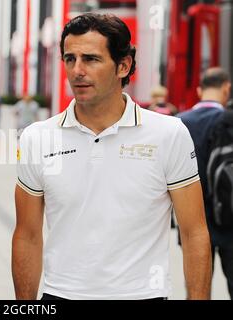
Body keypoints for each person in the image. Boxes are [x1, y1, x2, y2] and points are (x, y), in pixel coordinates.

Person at [12, 13, 211, 300]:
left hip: (143, 295)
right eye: (70, 59)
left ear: (123, 66)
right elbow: (27, 235)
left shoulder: (168, 134)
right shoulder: (37, 137)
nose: (77, 70)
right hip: (61, 295)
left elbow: (194, 232)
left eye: (91, 59)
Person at [177, 67, 233, 298]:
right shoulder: (227, 120)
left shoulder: (179, 123)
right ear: (226, 88)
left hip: (190, 218)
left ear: (199, 91)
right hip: (229, 218)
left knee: (197, 289)